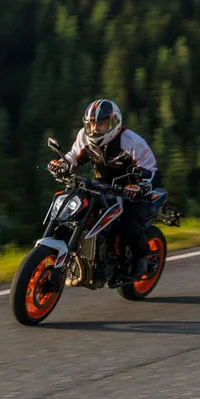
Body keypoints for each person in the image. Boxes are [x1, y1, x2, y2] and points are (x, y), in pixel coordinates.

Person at [48, 98, 161, 280]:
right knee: (76, 213)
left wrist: (140, 186)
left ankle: (141, 259)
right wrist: (62, 164)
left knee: (128, 228)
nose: (95, 129)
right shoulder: (84, 137)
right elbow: (73, 156)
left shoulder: (131, 141)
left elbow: (153, 171)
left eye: (101, 123)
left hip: (132, 192)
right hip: (101, 187)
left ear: (113, 123)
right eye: (92, 124)